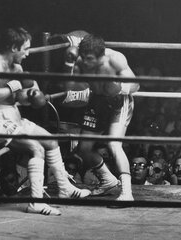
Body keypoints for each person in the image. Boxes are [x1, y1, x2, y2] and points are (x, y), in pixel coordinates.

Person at [0, 27, 90, 215]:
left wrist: (32, 95)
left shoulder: (17, 67)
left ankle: (65, 188)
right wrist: (15, 85)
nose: (28, 53)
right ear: (14, 47)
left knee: (51, 140)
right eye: (25, 48)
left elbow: (20, 98)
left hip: (14, 116)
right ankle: (35, 203)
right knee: (36, 149)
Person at [63, 34, 140, 201]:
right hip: (97, 102)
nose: (86, 62)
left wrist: (119, 89)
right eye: (84, 57)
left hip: (120, 101)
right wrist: (69, 63)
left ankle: (127, 193)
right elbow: (70, 87)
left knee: (114, 144)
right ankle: (107, 180)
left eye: (90, 58)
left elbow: (136, 85)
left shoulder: (116, 59)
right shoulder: (80, 60)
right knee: (83, 149)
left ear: (101, 55)